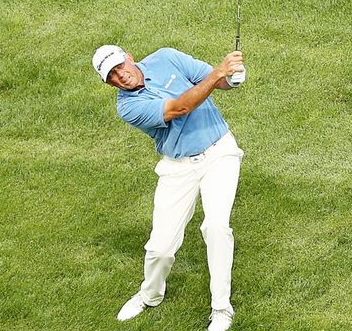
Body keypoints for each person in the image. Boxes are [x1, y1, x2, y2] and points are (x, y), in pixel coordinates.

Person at [91, 44, 247, 331]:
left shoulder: (166, 58)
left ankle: (221, 308)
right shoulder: (128, 107)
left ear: (129, 57)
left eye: (119, 66)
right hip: (178, 166)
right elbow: (180, 108)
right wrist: (218, 74)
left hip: (219, 151)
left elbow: (215, 80)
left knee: (216, 227)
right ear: (109, 83)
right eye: (111, 75)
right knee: (160, 247)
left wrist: (232, 78)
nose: (120, 75)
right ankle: (149, 296)